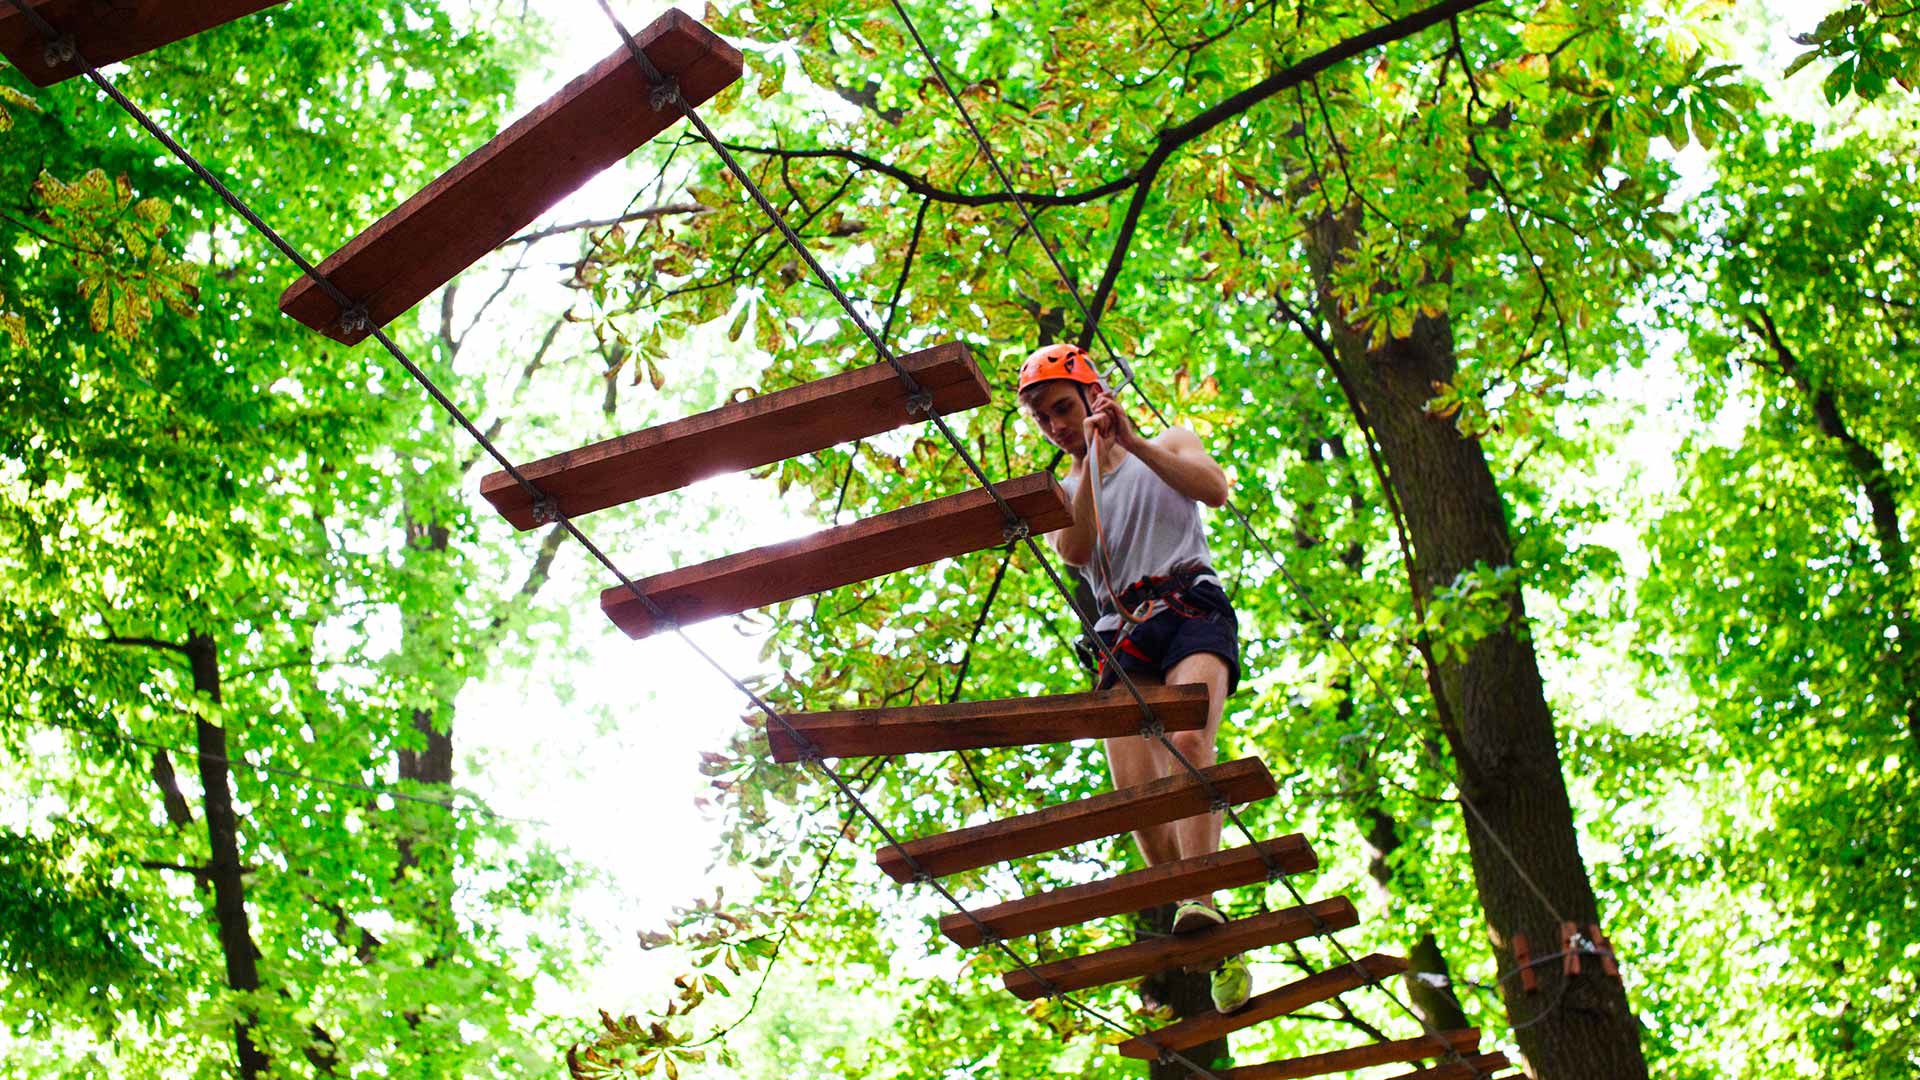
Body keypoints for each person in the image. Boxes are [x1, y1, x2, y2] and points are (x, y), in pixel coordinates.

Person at [1017, 342, 1250, 1014]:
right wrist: (1088, 457)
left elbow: (1213, 489)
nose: (1057, 425)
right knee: (1138, 796)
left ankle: (1202, 898)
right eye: (1045, 420)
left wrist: (1134, 441)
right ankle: (1205, 929)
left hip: (1190, 604)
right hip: (1123, 636)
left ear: (1094, 395)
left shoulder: (1172, 440)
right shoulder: (1065, 489)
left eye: (1064, 408)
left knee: (1191, 743)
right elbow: (1077, 550)